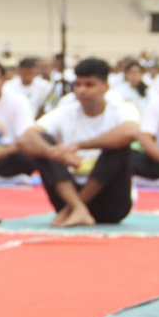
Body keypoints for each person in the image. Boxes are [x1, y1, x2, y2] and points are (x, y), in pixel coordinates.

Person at [17, 58, 139, 227]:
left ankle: (73, 209)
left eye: (89, 85)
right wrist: (54, 152)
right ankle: (77, 208)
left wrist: (79, 146)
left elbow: (131, 132)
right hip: (67, 193)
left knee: (118, 146)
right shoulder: (66, 110)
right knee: (42, 143)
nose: (82, 90)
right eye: (78, 85)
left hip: (111, 204)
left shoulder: (121, 108)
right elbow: (26, 138)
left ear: (105, 87)